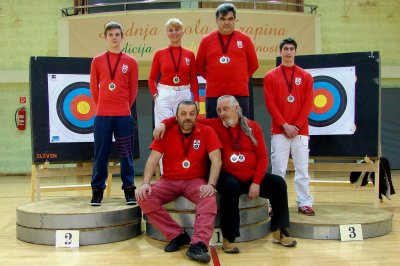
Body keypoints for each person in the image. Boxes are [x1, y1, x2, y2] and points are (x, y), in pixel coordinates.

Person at [155, 95, 297, 253]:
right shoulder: (214, 124)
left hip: (250, 176)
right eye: (219, 110)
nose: (222, 113)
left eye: (226, 109)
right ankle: (229, 237)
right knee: (230, 186)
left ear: (237, 108)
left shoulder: (253, 127)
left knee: (278, 183)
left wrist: (256, 182)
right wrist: (162, 124)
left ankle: (279, 230)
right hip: (227, 175)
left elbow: (263, 157)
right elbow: (187, 119)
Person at [136, 100, 222, 263]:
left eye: (192, 113)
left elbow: (216, 160)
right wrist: (146, 183)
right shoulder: (165, 132)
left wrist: (211, 185)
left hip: (195, 181)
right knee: (143, 196)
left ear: (197, 115)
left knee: (208, 197)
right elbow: (153, 159)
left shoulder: (207, 131)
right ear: (176, 116)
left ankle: (198, 243)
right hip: (169, 181)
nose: (188, 117)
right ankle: (177, 235)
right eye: (183, 114)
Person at [263, 37, 315, 216]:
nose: (288, 52)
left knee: (302, 169)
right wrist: (285, 125)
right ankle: (274, 204)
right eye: (285, 48)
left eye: (291, 48)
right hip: (279, 131)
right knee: (278, 170)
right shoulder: (270, 76)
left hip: (301, 131)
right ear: (280, 51)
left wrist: (297, 126)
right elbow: (270, 103)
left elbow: (308, 104)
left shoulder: (306, 76)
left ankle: (304, 203)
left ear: (295, 51)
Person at [89, 21, 138, 206]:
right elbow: (94, 89)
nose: (114, 38)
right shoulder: (97, 61)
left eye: (117, 34)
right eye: (111, 34)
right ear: (105, 37)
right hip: (102, 115)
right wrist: (102, 106)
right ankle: (97, 191)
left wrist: (123, 106)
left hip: (123, 115)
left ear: (122, 37)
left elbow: (133, 90)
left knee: (126, 153)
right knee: (100, 153)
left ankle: (129, 190)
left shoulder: (131, 62)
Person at [196, 3, 259, 118]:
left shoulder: (245, 39)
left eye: (230, 19)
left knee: (241, 130)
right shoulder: (206, 40)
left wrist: (241, 78)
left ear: (235, 20)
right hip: (214, 93)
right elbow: (199, 65)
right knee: (214, 131)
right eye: (222, 19)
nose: (226, 22)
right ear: (216, 20)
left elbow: (254, 64)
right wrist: (211, 78)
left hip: (239, 93)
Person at [148, 18, 199, 127]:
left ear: (182, 32)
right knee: (163, 128)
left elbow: (194, 79)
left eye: (177, 29)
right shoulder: (159, 54)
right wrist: (156, 96)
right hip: (164, 94)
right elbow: (152, 78)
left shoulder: (189, 54)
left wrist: (197, 100)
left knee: (184, 127)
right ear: (167, 33)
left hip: (184, 94)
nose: (174, 32)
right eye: (170, 30)